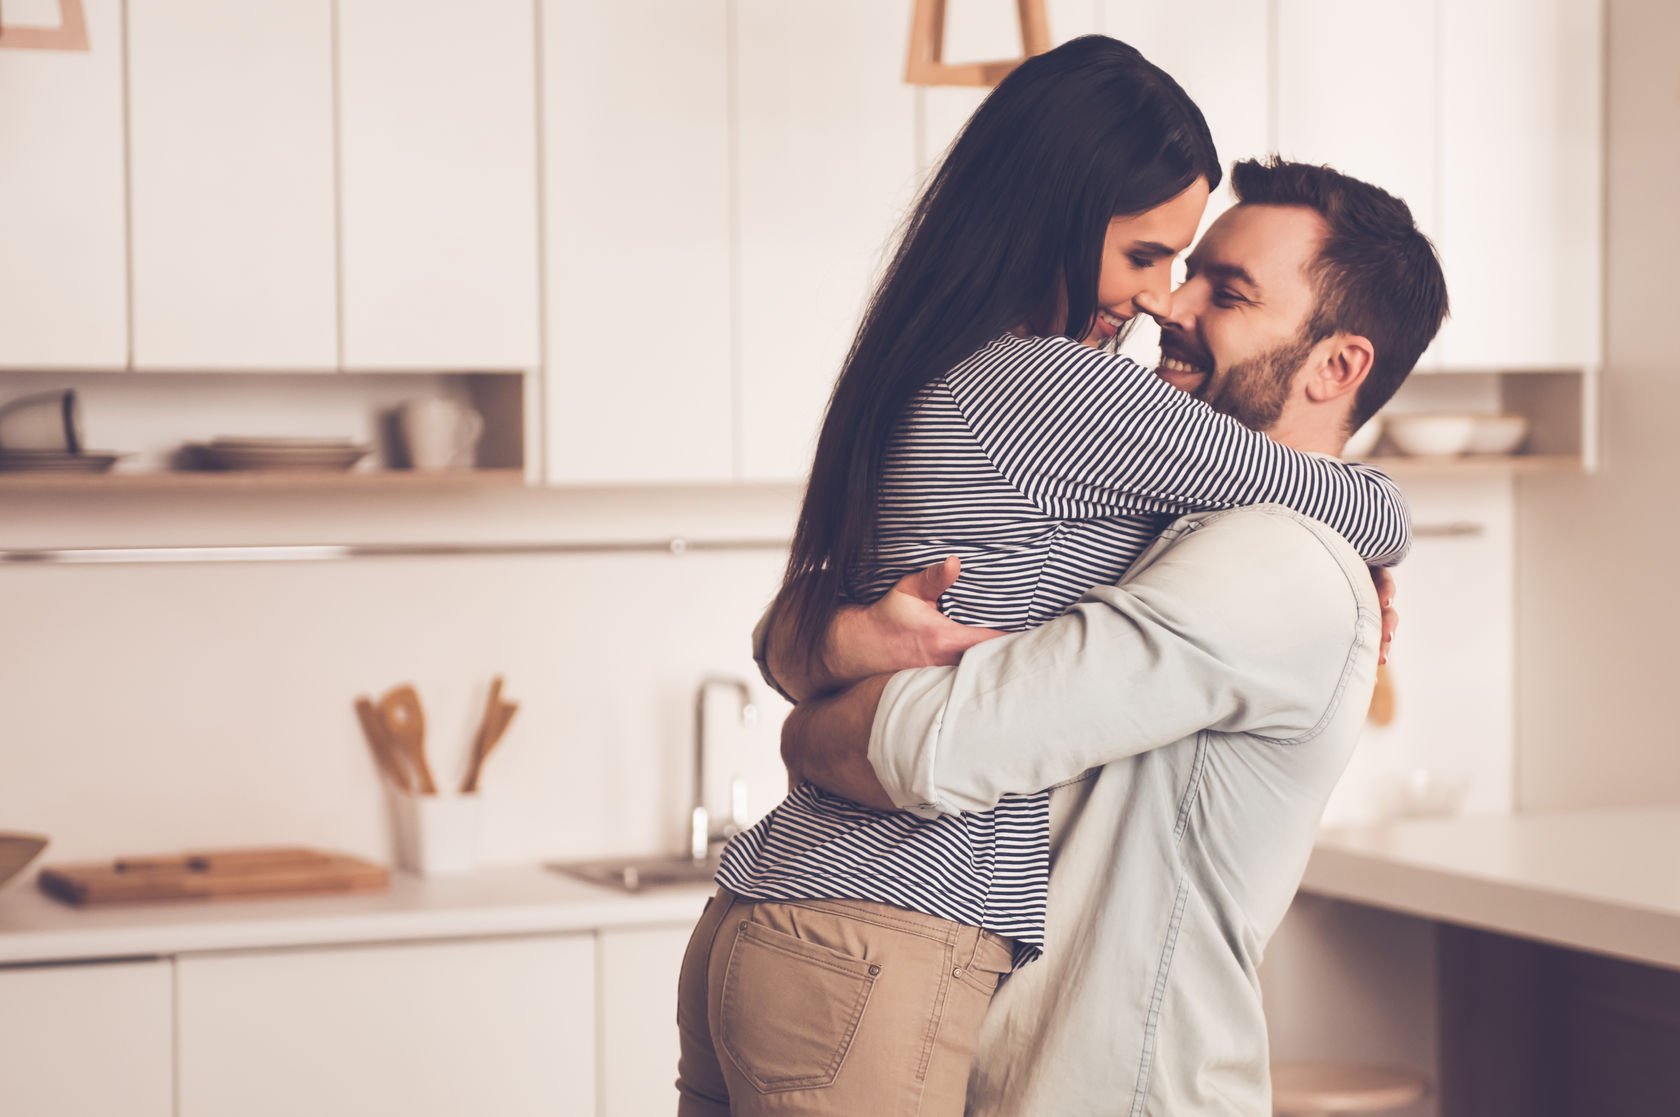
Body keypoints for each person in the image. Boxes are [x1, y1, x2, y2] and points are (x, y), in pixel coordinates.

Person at [675, 34, 1421, 1116]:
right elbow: (1365, 502)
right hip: (877, 935)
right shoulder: (1062, 397)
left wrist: (814, 660)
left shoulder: (973, 374)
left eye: (1215, 281)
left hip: (801, 927)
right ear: (1062, 219)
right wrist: (1376, 528)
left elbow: (861, 649)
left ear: (1339, 363)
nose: (1164, 301)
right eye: (1155, 259)